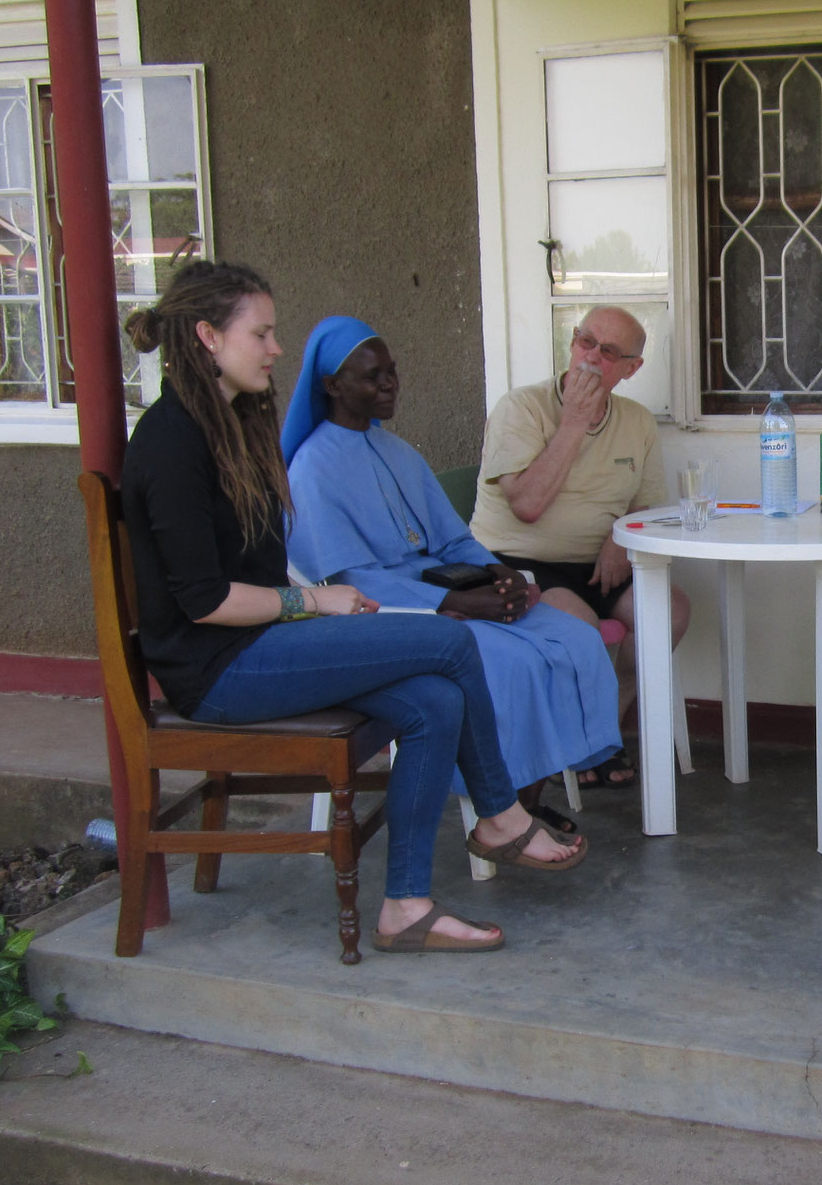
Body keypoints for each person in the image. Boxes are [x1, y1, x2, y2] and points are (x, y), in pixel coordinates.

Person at [120, 262, 582, 959]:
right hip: (219, 668)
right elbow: (205, 601)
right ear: (208, 336)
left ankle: (405, 907)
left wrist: (307, 609)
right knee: (450, 647)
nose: (278, 349)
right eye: (263, 333)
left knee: (433, 702)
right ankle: (500, 816)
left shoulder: (231, 424)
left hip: (260, 642)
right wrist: (313, 600)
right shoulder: (171, 442)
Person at [280, 315, 624, 834]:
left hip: (451, 590)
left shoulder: (397, 451)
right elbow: (350, 582)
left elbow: (452, 538)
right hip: (387, 613)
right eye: (374, 376)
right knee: (514, 664)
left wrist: (498, 572)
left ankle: (524, 803)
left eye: (393, 372)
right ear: (332, 386)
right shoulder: (311, 467)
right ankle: (500, 811)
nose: (390, 384)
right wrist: (452, 606)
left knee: (575, 638)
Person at [468, 306, 691, 789]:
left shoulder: (636, 422)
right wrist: (572, 423)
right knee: (580, 628)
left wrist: (617, 537)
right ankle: (586, 743)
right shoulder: (521, 408)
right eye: (584, 341)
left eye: (608, 352)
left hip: (600, 563)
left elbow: (648, 509)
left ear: (631, 369)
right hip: (516, 563)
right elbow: (526, 505)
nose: (590, 357)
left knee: (668, 613)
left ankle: (599, 728)